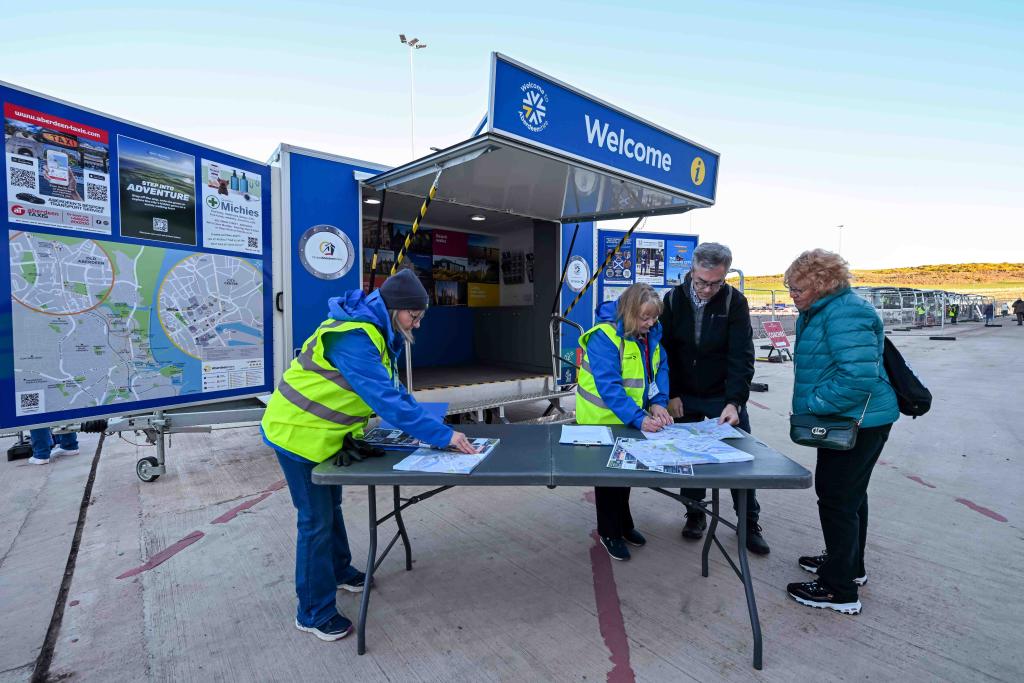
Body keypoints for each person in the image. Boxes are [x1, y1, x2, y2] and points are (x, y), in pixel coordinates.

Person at [260, 269, 476, 642]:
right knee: (315, 521)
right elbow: (387, 402)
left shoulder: (376, 331)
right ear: (394, 308)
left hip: (327, 437)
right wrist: (441, 435)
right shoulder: (355, 338)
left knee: (333, 509)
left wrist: (437, 429)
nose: (418, 323)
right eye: (414, 315)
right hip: (296, 435)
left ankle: (341, 571)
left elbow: (397, 391)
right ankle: (312, 612)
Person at [784, 249, 899, 615]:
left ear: (821, 284)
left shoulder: (846, 313)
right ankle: (848, 564)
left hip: (857, 422)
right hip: (847, 420)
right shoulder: (823, 310)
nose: (791, 294)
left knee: (836, 500)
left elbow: (857, 379)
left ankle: (839, 589)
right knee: (849, 497)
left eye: (797, 287)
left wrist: (814, 404)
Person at [659, 242, 770, 555]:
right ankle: (695, 514)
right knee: (690, 459)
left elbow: (741, 355)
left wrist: (735, 401)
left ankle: (749, 522)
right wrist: (672, 394)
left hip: (723, 394)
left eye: (715, 283)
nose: (707, 290)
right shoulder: (673, 300)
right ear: (692, 271)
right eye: (701, 282)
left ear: (725, 276)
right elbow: (665, 352)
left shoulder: (734, 301)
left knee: (740, 461)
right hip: (685, 396)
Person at [576, 283, 673, 561]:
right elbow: (610, 387)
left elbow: (659, 367)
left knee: (626, 473)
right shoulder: (603, 337)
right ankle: (609, 532)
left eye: (654, 317)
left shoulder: (650, 334)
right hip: (600, 422)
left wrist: (659, 402)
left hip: (630, 419)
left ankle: (624, 524)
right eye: (645, 317)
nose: (651, 322)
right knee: (608, 479)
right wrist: (640, 418)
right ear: (629, 313)